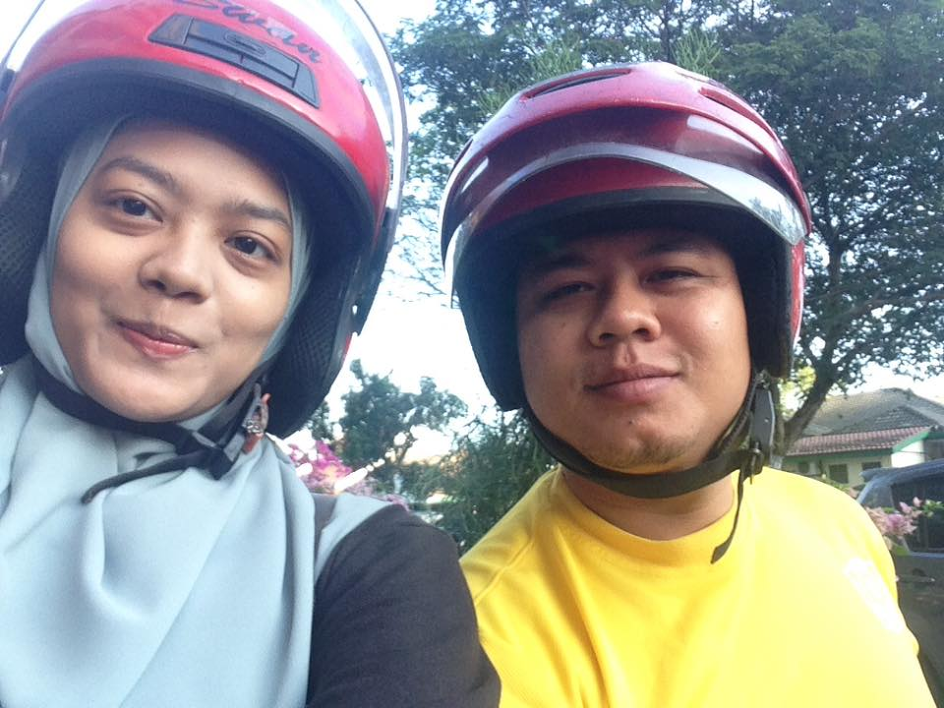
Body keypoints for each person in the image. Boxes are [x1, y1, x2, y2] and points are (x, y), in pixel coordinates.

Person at [0, 1, 498, 706]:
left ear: (303, 320)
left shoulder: (367, 569)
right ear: (35, 223)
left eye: (249, 246)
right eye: (135, 206)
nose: (181, 271)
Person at [440, 62, 934, 707]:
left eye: (672, 273)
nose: (622, 318)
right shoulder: (477, 649)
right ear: (509, 351)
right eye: (566, 289)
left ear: (759, 315)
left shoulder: (837, 524)